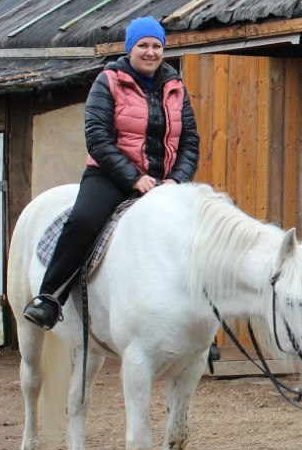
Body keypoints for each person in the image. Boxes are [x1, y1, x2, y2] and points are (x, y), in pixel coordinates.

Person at [22, 16, 199, 329]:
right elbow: (97, 137)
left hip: (165, 182)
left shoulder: (176, 87)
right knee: (83, 221)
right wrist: (134, 177)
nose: (150, 52)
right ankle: (49, 298)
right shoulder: (108, 82)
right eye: (143, 45)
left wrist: (177, 180)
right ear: (129, 49)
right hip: (110, 175)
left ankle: (202, 325)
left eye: (157, 46)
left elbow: (189, 141)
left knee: (202, 232)